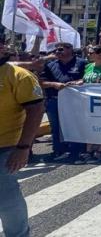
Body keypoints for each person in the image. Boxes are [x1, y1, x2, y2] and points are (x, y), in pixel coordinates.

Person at [0, 41, 45, 237]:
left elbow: (35, 110)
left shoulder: (19, 75)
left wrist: (24, 147)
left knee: (6, 196)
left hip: (6, 146)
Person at [39, 42, 86, 161]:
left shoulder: (82, 63)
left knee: (74, 125)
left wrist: (78, 82)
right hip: (55, 100)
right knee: (56, 127)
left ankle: (76, 151)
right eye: (56, 50)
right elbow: (41, 82)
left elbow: (87, 78)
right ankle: (58, 151)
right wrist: (54, 84)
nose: (57, 52)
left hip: (74, 101)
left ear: (70, 50)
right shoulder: (50, 65)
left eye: (60, 50)